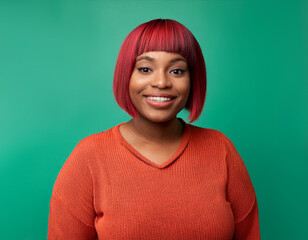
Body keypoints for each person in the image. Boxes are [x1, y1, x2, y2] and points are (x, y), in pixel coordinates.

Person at [48, 19, 260, 239]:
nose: (161, 82)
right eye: (145, 69)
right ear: (126, 75)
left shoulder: (220, 149)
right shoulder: (89, 157)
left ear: (193, 80)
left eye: (177, 71)